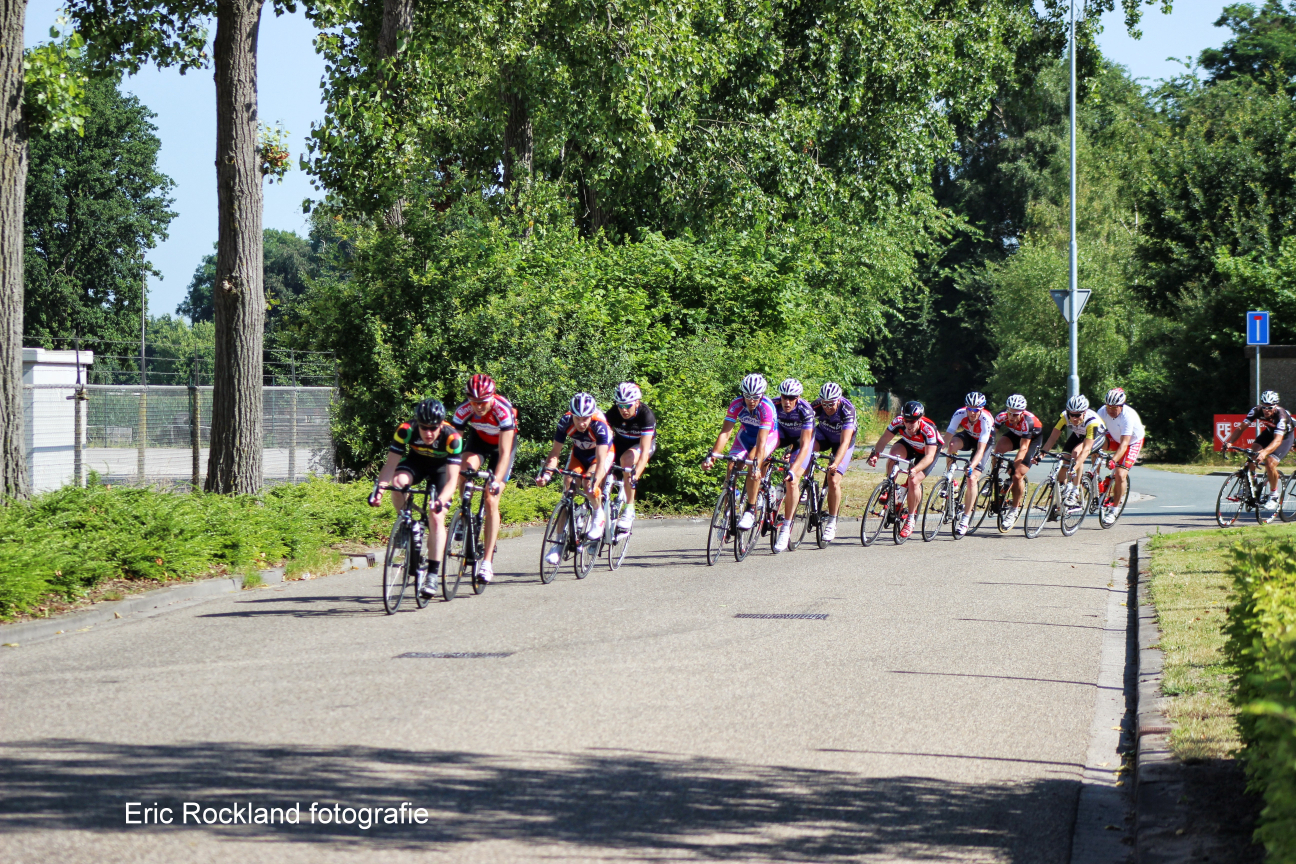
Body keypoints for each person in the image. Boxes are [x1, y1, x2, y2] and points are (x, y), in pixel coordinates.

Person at [369, 398, 463, 599]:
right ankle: (406, 522)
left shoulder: (452, 438)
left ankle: (432, 574)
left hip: (441, 469)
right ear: (417, 424)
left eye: (433, 428)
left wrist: (440, 501)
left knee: (436, 517)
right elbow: (390, 465)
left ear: (441, 425)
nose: (429, 433)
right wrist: (380, 489)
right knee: (398, 482)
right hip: (416, 462)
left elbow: (453, 480)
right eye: (424, 428)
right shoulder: (405, 430)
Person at [450, 374, 517, 583]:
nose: (478, 406)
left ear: (492, 396)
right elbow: (453, 448)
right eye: (474, 402)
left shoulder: (503, 410)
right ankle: (464, 513)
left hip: (501, 449)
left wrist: (496, 481)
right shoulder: (463, 410)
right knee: (462, 469)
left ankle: (487, 562)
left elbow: (505, 453)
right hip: (478, 441)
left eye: (483, 402)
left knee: (490, 499)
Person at [537, 393, 615, 565]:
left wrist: (595, 481)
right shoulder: (565, 422)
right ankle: (557, 544)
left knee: (589, 484)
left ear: (591, 415)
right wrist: (547, 474)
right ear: (571, 415)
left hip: (600, 455)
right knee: (568, 488)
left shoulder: (599, 425)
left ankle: (597, 514)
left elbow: (601, 462)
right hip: (579, 454)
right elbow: (554, 454)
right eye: (577, 418)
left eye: (585, 418)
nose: (581, 423)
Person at [703, 374, 778, 531]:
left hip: (767, 437)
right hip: (745, 435)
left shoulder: (766, 407)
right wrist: (712, 457)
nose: (751, 400)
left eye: (755, 397)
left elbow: (762, 441)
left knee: (752, 461)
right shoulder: (737, 403)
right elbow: (726, 433)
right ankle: (727, 513)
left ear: (762, 395)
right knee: (731, 464)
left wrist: (757, 466)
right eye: (747, 396)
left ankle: (750, 510)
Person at [867, 400, 940, 540]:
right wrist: (875, 455)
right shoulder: (898, 422)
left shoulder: (928, 429)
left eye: (913, 421)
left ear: (920, 419)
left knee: (914, 480)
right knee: (893, 455)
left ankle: (911, 519)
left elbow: (929, 456)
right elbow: (883, 440)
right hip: (909, 444)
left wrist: (916, 469)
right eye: (906, 420)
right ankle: (890, 487)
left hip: (926, 453)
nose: (909, 424)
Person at [1223, 389, 1290, 510]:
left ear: (1275, 406)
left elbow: (1278, 440)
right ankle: (1251, 485)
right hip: (1269, 433)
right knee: (1251, 454)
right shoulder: (1256, 410)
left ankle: (1274, 495)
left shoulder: (1281, 415)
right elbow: (1241, 427)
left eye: (1270, 407)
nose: (1266, 410)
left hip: (1284, 437)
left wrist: (1264, 452)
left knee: (1270, 462)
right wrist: (1229, 442)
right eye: (1264, 407)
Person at [772, 378, 816, 552]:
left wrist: (792, 469)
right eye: (784, 397)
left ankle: (786, 528)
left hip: (801, 442)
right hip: (781, 436)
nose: (787, 401)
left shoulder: (806, 411)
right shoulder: (773, 404)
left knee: (792, 480)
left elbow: (805, 446)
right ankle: (765, 490)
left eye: (791, 398)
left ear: (797, 397)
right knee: (762, 457)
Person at [942, 391, 994, 536]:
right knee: (952, 445)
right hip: (969, 435)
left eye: (976, 410)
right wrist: (938, 450)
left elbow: (980, 450)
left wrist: (971, 466)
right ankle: (951, 480)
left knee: (972, 479)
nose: (972, 413)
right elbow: (947, 437)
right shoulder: (959, 414)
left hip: (984, 442)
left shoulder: (986, 419)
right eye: (969, 409)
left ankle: (965, 519)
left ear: (981, 409)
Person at [1039, 394, 1104, 509]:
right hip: (1079, 434)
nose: (1074, 418)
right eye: (1071, 415)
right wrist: (1042, 454)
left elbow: (1086, 449)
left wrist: (1074, 468)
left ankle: (1075, 490)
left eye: (1077, 415)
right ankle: (1064, 492)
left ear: (1084, 412)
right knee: (1064, 460)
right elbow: (1053, 438)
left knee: (1076, 453)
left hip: (1097, 436)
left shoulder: (1091, 421)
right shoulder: (1064, 416)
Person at [606, 382, 656, 531]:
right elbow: (604, 439)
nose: (623, 410)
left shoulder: (646, 416)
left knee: (626, 459)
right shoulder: (613, 412)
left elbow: (645, 451)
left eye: (627, 406)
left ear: (637, 402)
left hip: (640, 446)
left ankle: (629, 509)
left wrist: (636, 475)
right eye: (620, 405)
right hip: (619, 443)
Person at [811, 382, 857, 542]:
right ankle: (805, 484)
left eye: (831, 403)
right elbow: (803, 431)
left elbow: (845, 443)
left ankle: (832, 521)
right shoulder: (817, 406)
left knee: (833, 479)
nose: (828, 407)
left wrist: (836, 462)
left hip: (842, 442)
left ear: (838, 400)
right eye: (825, 403)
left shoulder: (847, 410)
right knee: (806, 451)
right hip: (823, 434)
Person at [993, 394, 1043, 530]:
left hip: (1031, 441)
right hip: (1015, 435)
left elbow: (1024, 448)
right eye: (1010, 413)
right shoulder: (1001, 416)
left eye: (1016, 415)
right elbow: (990, 436)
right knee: (996, 450)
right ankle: (994, 479)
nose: (1012, 417)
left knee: (1017, 475)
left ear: (1022, 413)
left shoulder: (1028, 422)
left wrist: (1015, 466)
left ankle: (1014, 510)